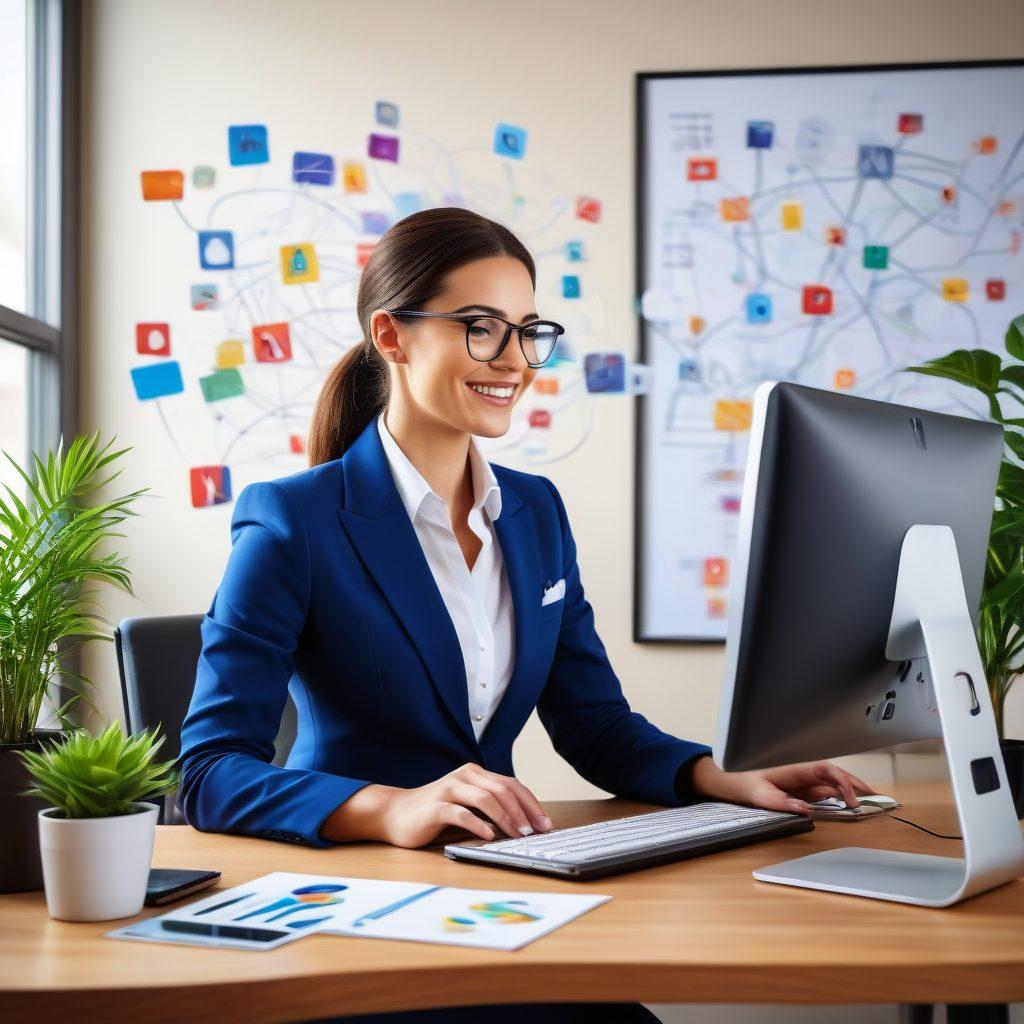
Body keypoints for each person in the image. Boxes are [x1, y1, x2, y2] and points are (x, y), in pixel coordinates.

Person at [177, 207, 872, 1023]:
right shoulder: (295, 520)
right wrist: (393, 807)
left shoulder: (535, 513)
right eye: (480, 328)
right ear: (392, 336)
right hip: (360, 911)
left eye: (526, 331)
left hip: (498, 896)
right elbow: (210, 770)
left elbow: (595, 725)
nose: (513, 360)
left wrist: (724, 776)